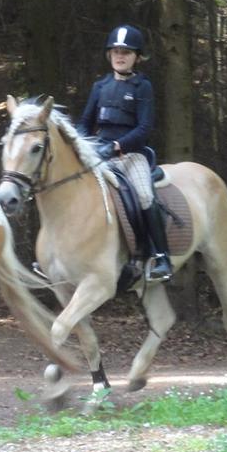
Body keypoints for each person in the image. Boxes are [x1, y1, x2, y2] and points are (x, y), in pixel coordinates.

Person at [75, 24, 173, 282]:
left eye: (127, 52)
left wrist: (116, 146)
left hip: (130, 155)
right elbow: (86, 122)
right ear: (109, 54)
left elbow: (144, 128)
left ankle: (161, 256)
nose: (120, 56)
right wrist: (82, 142)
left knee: (143, 196)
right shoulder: (100, 86)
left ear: (137, 57)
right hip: (99, 152)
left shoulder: (142, 86)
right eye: (116, 51)